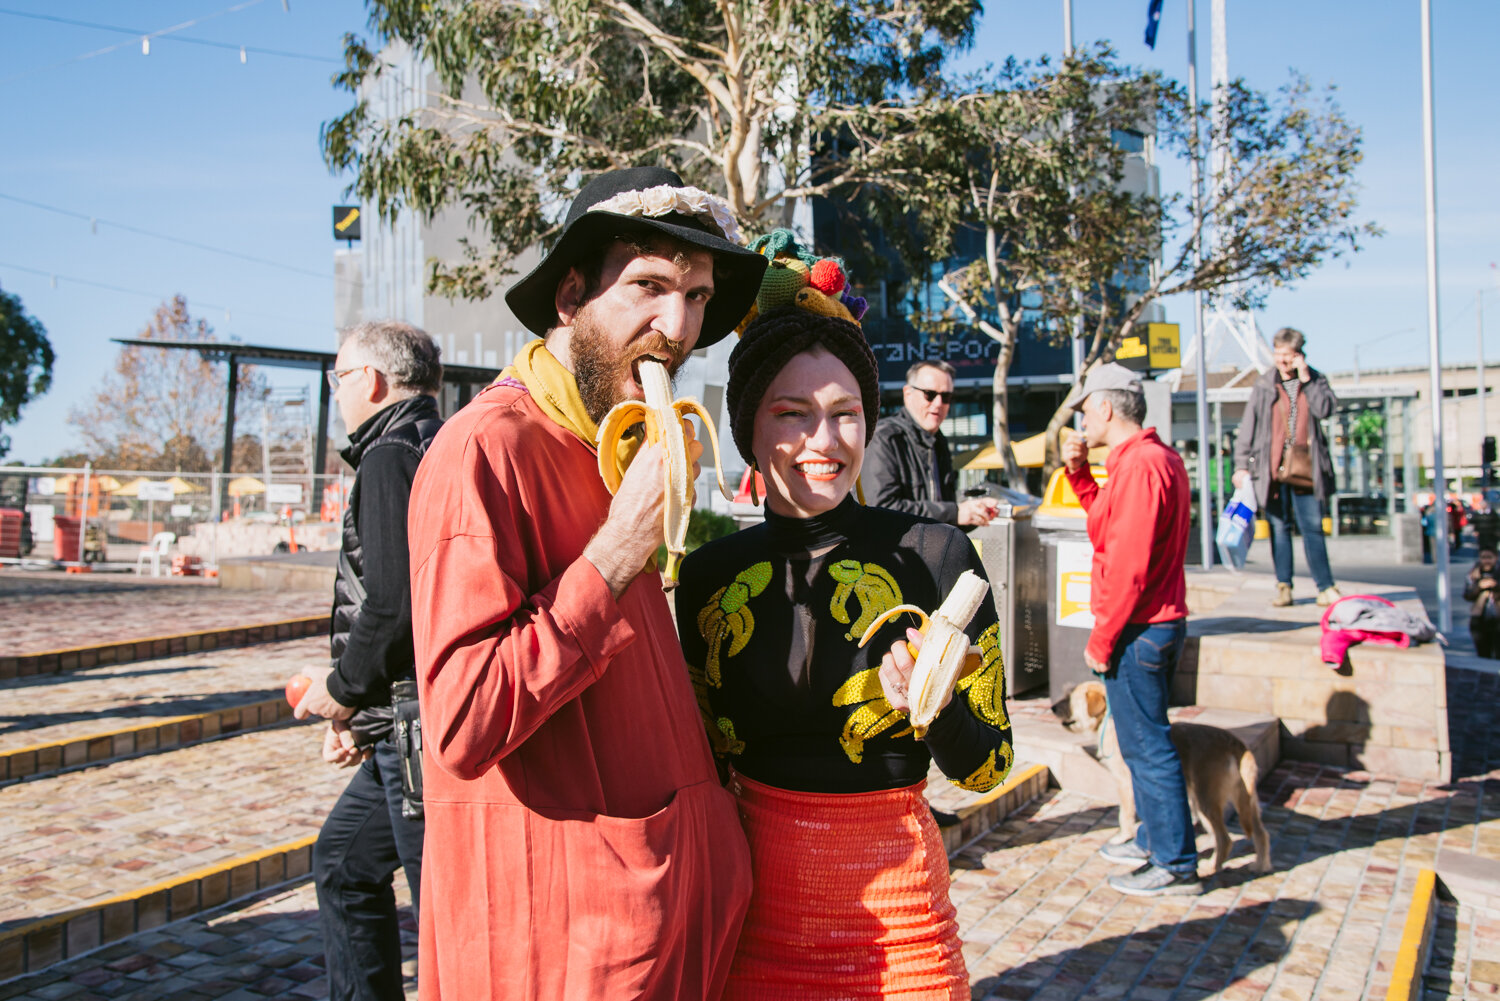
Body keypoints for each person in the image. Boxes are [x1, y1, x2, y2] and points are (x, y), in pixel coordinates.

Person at [406, 167, 767, 1001]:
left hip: (663, 933)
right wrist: (610, 557)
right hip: (565, 948)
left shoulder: (619, 440)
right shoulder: (483, 451)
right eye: (648, 285)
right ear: (570, 295)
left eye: (700, 297)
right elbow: (461, 719)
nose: (677, 327)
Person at [676, 236, 1013, 999]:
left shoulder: (938, 555)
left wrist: (934, 707)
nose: (822, 443)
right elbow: (697, 761)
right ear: (749, 430)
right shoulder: (708, 578)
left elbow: (989, 764)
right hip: (753, 924)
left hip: (904, 930)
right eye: (791, 414)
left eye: (845, 414)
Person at [292, 320, 444, 1001]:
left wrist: (341, 692)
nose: (339, 393)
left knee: (441, 909)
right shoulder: (443, 440)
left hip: (413, 725)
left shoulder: (388, 456)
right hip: (405, 717)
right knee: (343, 862)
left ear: (371, 381)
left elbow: (391, 601)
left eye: (339, 378)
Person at [1061, 362, 1199, 897]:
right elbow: (1107, 527)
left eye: (1084, 412)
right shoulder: (1147, 459)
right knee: (1142, 743)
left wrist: (1101, 641)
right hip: (1150, 624)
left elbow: (1129, 565)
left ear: (1104, 407)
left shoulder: (1140, 465)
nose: (1082, 424)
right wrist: (1079, 476)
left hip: (1139, 629)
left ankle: (1175, 862)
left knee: (1146, 747)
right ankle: (1153, 838)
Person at [1232, 327, 1341, 607]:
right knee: (1279, 529)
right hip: (1272, 469)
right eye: (1278, 354)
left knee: (1313, 527)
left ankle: (1325, 586)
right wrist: (1241, 465)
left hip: (1306, 467)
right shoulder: (1265, 384)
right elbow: (1249, 426)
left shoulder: (1314, 380)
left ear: (1299, 355)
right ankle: (1284, 586)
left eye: (1288, 355)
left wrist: (1306, 378)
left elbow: (1326, 410)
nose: (1282, 361)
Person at [862, 359, 998, 528]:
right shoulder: (884, 438)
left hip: (932, 551)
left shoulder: (939, 442)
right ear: (907, 394)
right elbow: (880, 510)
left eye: (946, 397)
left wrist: (974, 513)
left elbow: (942, 516)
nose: (938, 404)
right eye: (930, 394)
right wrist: (955, 513)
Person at [1464, 548, 1500, 658]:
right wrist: (1479, 587)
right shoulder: (1473, 574)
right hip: (1479, 619)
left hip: (1498, 618)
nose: (1486, 561)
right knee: (1483, 654)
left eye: (1489, 557)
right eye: (1483, 557)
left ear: (1496, 558)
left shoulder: (1498, 573)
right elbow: (1467, 595)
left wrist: (1495, 585)